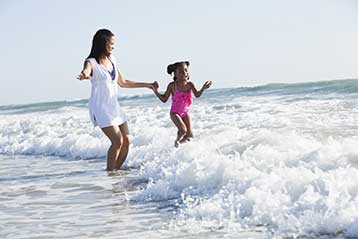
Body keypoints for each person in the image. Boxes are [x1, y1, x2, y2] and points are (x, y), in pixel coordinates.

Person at [77, 29, 157, 171]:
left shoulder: (112, 60)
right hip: (101, 109)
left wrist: (147, 85)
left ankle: (115, 172)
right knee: (117, 141)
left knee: (127, 141)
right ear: (103, 43)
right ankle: (110, 173)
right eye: (111, 44)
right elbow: (87, 70)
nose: (113, 47)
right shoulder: (91, 62)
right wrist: (84, 74)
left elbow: (123, 82)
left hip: (114, 107)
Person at [152, 61, 212, 147]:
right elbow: (164, 99)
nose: (184, 73)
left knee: (190, 135)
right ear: (175, 74)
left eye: (186, 70)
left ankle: (178, 146)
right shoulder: (172, 86)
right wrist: (156, 91)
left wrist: (203, 88)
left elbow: (197, 95)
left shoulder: (190, 85)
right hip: (175, 113)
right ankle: (176, 141)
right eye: (181, 71)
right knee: (183, 130)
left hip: (185, 113)